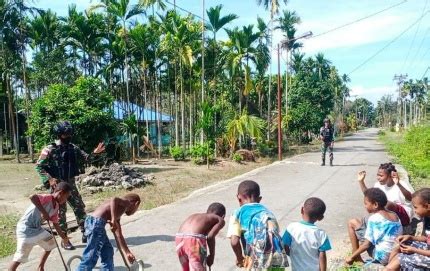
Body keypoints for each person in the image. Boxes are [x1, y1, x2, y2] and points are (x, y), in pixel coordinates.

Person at [35, 121, 105, 249]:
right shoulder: (49, 149)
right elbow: (39, 166)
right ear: (59, 134)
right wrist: (49, 179)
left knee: (79, 208)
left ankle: (86, 233)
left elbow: (87, 158)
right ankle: (65, 240)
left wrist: (95, 153)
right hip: (57, 187)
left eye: (69, 133)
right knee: (60, 214)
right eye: (66, 134)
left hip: (70, 184)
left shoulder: (73, 147)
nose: (68, 136)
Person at [8, 182, 72, 271]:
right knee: (19, 258)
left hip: (37, 229)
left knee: (51, 244)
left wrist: (64, 238)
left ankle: (40, 267)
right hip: (25, 229)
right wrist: (43, 212)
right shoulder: (47, 197)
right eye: (66, 197)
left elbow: (56, 224)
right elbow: (33, 197)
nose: (66, 200)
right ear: (60, 193)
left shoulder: (56, 207)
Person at [227, 180, 288, 270]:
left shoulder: (238, 213)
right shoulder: (269, 213)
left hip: (255, 261)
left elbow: (234, 242)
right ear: (259, 199)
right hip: (277, 260)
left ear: (238, 198)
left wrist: (239, 258)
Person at [77, 193, 141, 271]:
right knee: (91, 255)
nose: (134, 211)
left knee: (108, 251)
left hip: (95, 224)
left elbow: (119, 235)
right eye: (137, 208)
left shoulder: (119, 212)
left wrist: (127, 252)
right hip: (96, 223)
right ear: (136, 204)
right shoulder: (126, 203)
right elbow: (114, 199)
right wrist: (113, 219)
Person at [346, 188, 402, 266]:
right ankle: (356, 256)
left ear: (375, 205)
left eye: (366, 203)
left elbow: (366, 245)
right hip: (394, 254)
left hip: (382, 257)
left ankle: (356, 257)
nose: (365, 206)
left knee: (352, 222)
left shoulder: (374, 219)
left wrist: (351, 257)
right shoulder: (394, 215)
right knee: (362, 222)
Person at [384, 188, 430, 271]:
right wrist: (410, 237)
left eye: (415, 207)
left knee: (400, 258)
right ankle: (389, 267)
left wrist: (414, 250)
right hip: (428, 248)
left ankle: (390, 268)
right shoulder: (427, 217)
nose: (414, 211)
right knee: (400, 245)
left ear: (427, 206)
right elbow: (426, 238)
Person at [282, 197, 331, 271]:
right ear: (321, 218)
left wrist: (292, 255)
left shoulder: (291, 228)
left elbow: (284, 246)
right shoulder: (321, 234)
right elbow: (322, 256)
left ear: (302, 210)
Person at [175, 202, 226, 271]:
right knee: (198, 268)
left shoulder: (200, 216)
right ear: (223, 216)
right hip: (193, 240)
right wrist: (211, 256)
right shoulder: (220, 219)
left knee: (186, 269)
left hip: (179, 238)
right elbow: (210, 237)